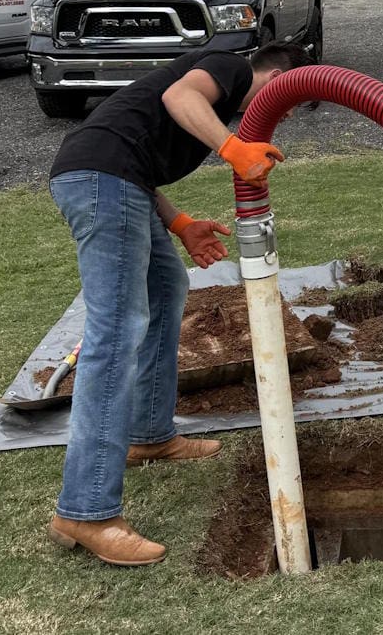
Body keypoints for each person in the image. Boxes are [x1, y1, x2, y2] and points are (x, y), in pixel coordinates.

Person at [45, 42, 308, 566]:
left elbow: (136, 164)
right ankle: (85, 509)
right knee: (115, 332)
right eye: (288, 100)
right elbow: (179, 96)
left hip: (121, 182)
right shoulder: (230, 66)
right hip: (101, 181)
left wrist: (181, 225)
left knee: (167, 289)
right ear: (276, 76)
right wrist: (233, 148)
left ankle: (148, 433)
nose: (283, 113)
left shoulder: (216, 96)